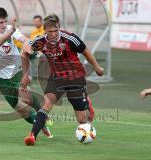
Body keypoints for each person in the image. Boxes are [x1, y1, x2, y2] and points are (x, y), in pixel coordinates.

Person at [21, 13, 104, 145]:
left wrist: (97, 67)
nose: (53, 34)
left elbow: (85, 51)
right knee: (46, 105)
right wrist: (25, 74)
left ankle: (86, 103)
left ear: (59, 27)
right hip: (57, 79)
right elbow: (24, 52)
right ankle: (32, 136)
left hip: (75, 78)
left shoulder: (70, 38)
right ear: (45, 30)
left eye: (55, 30)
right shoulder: (40, 41)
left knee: (82, 120)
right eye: (50, 32)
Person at [0, 7, 52, 138]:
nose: (4, 25)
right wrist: (11, 30)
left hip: (16, 69)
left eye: (5, 22)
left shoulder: (10, 28)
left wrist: (28, 44)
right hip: (0, 77)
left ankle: (42, 113)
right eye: (0, 23)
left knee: (25, 97)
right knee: (20, 109)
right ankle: (41, 124)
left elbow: (23, 39)